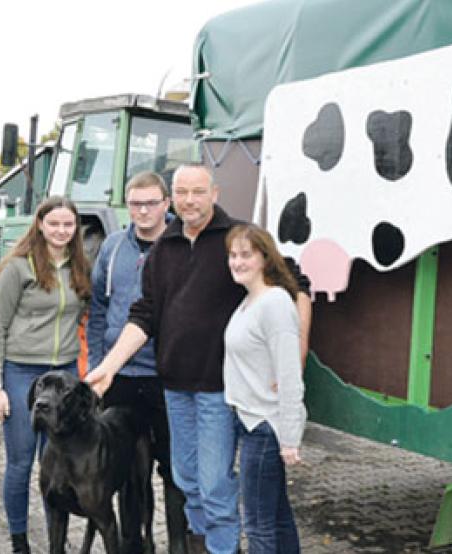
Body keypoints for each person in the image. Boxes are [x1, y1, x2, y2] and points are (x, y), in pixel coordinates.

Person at [85, 163, 311, 554]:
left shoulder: (236, 238)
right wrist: (109, 366)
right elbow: (145, 313)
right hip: (174, 386)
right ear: (174, 196)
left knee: (215, 488)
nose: (190, 201)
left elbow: (296, 286)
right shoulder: (165, 247)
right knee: (188, 482)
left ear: (215, 194)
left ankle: (222, 548)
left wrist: (295, 357)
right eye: (183, 192)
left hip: (217, 390)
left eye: (198, 192)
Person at [87, 171, 189, 554]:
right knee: (129, 471)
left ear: (167, 203)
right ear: (126, 205)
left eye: (151, 203)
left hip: (167, 377)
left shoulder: (182, 246)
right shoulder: (113, 247)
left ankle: (179, 542)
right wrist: (100, 363)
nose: (143, 211)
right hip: (122, 378)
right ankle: (133, 544)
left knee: (175, 468)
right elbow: (98, 308)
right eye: (135, 203)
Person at [0, 196, 91, 554]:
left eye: (68, 224)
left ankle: (55, 541)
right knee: (21, 460)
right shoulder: (19, 268)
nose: (61, 230)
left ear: (75, 228)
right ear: (40, 225)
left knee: (58, 464)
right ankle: (19, 541)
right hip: (22, 373)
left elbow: (87, 317)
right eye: (54, 224)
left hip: (65, 374)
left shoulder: (80, 267)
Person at [224, 224, 306, 553]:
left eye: (246, 255)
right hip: (250, 420)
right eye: (232, 255)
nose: (237, 262)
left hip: (265, 427)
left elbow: (289, 375)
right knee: (277, 515)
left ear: (265, 259)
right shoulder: (248, 301)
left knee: (258, 525)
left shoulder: (274, 303)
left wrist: (289, 437)